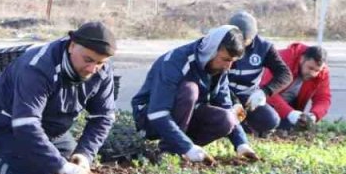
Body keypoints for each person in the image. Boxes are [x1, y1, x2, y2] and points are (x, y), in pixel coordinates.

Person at [0, 22, 117, 174]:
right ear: (72, 46)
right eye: (88, 60)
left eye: (100, 63)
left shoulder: (101, 71)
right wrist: (61, 166)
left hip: (51, 126)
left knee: (70, 164)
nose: (92, 69)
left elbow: (103, 117)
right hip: (8, 122)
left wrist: (84, 155)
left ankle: (8, 152)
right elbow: (26, 125)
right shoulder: (38, 68)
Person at [131, 25, 259, 164]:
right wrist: (186, 147)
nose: (228, 67)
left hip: (183, 118)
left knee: (226, 119)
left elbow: (226, 106)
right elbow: (157, 113)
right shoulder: (175, 62)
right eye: (225, 59)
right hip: (150, 118)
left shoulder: (218, 69)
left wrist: (241, 144)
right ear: (211, 50)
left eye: (232, 62)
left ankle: (186, 149)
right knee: (189, 90)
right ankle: (169, 152)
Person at [223, 11, 292, 136]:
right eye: (238, 39)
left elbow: (285, 74)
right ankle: (231, 128)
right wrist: (233, 101)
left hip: (248, 97)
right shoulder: (221, 44)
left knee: (271, 120)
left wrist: (264, 92)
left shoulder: (264, 48)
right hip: (222, 94)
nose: (241, 44)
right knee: (225, 119)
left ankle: (244, 127)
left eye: (245, 40)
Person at [262, 43, 331, 130]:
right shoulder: (282, 59)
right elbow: (266, 91)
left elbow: (323, 98)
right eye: (310, 68)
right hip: (263, 101)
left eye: (317, 70)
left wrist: (314, 115)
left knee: (295, 127)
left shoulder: (322, 72)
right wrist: (290, 113)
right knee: (272, 122)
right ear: (302, 59)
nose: (313, 73)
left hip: (291, 107)